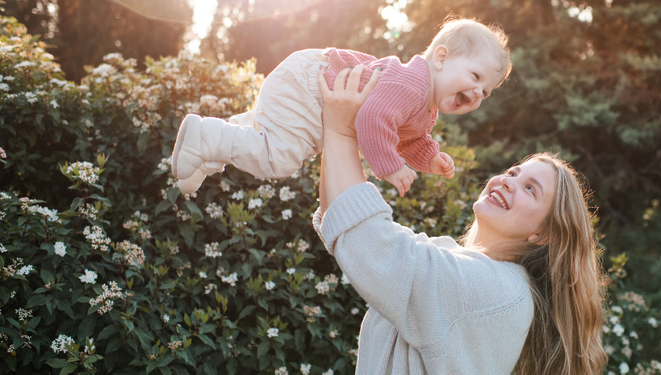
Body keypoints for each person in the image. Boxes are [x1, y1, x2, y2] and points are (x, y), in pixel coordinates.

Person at [314, 65, 608, 373]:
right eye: (512, 173)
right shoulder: (456, 261)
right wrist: (334, 129)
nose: (508, 181)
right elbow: (343, 219)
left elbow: (371, 241)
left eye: (530, 189)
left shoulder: (497, 290)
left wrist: (340, 130)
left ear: (543, 234)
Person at [170, 18, 511, 197]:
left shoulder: (425, 108)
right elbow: (374, 119)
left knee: (267, 137)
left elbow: (406, 139)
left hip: (310, 80)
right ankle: (206, 135)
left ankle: (210, 147)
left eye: (487, 91)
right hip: (311, 86)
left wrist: (431, 158)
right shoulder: (412, 84)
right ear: (441, 58)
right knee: (280, 158)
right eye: (476, 76)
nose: (479, 92)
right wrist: (390, 167)